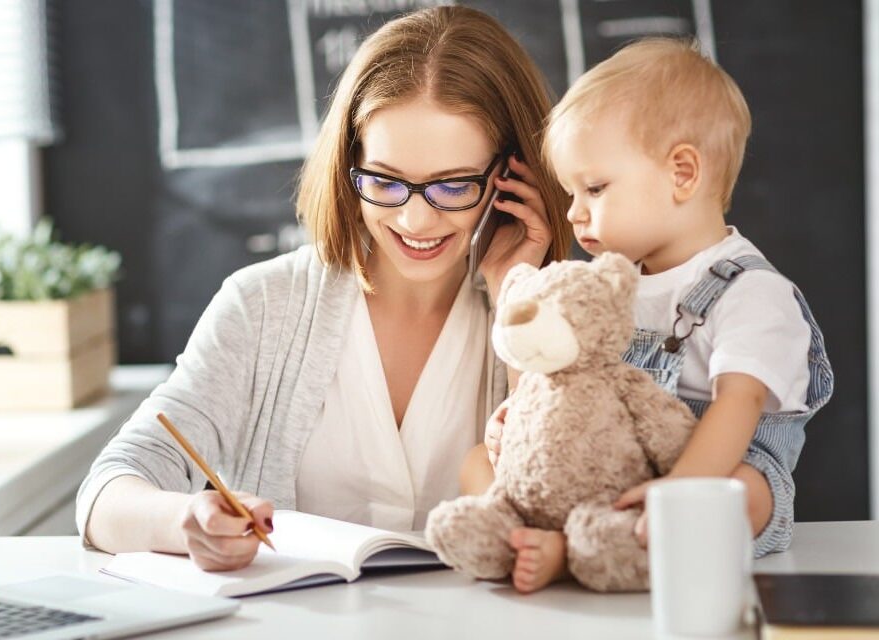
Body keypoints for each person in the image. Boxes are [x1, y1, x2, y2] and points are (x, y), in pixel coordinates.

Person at [76, 5, 571, 572]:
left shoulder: (562, 317)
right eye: (385, 180)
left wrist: (518, 297)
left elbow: (557, 513)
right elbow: (105, 496)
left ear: (512, 177)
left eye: (453, 186)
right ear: (349, 164)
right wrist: (185, 520)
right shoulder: (263, 306)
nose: (414, 220)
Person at [477, 38, 833, 593]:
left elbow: (739, 405)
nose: (574, 214)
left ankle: (568, 552)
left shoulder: (751, 291)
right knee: (477, 462)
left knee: (746, 493)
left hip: (713, 471)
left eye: (595, 188)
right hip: (613, 465)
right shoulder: (605, 286)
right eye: (571, 193)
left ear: (682, 173)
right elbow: (558, 373)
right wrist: (523, 420)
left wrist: (681, 490)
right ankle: (565, 541)